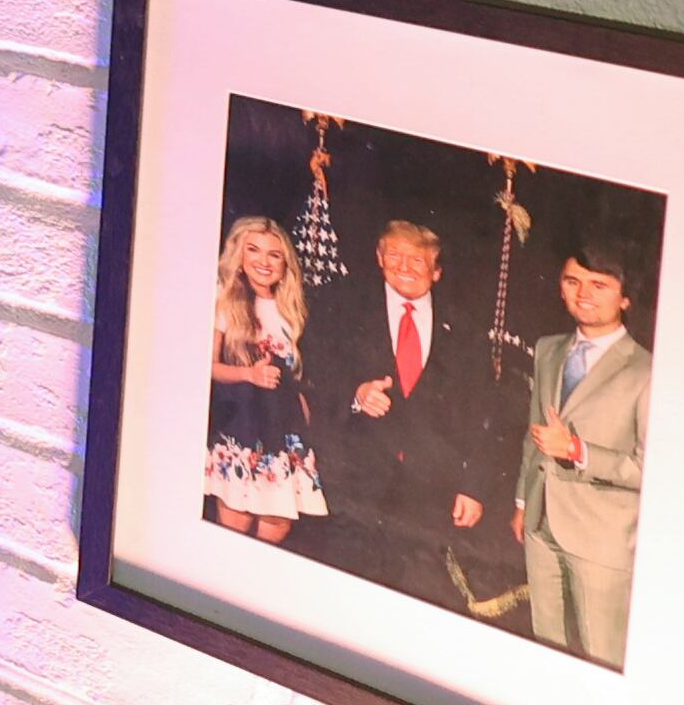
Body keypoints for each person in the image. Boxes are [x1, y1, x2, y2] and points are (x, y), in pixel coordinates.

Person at [303, 216, 513, 607]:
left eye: (416, 260)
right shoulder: (342, 304)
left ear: (436, 271)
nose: (404, 267)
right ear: (379, 258)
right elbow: (315, 367)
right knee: (345, 597)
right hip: (356, 483)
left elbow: (485, 412)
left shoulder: (464, 325)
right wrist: (356, 393)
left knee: (415, 597)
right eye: (394, 256)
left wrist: (474, 487)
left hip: (430, 492)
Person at [516, 241, 654, 668]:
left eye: (599, 285)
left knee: (601, 658)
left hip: (603, 538)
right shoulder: (548, 349)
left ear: (625, 298)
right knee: (546, 651)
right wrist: (522, 501)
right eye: (573, 281)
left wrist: (579, 451)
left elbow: (652, 469)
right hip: (540, 525)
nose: (583, 294)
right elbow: (533, 431)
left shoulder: (647, 370)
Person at [205, 215, 326, 541]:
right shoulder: (224, 301)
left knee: (277, 524)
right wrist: (249, 374)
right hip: (241, 427)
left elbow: (300, 376)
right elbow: (208, 366)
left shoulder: (292, 310)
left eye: (274, 255)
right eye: (254, 250)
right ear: (239, 256)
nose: (264, 261)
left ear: (285, 265)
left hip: (284, 433)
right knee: (236, 524)